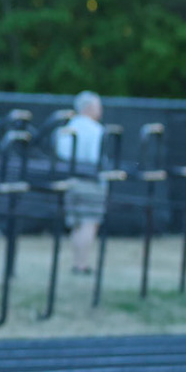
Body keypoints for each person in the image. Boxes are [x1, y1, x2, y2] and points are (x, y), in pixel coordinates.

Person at [55, 91, 107, 274]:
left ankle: (77, 262)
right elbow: (95, 158)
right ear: (89, 108)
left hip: (71, 180)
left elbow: (61, 154)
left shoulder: (68, 128)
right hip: (90, 181)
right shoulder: (96, 130)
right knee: (89, 223)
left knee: (76, 223)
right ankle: (82, 264)